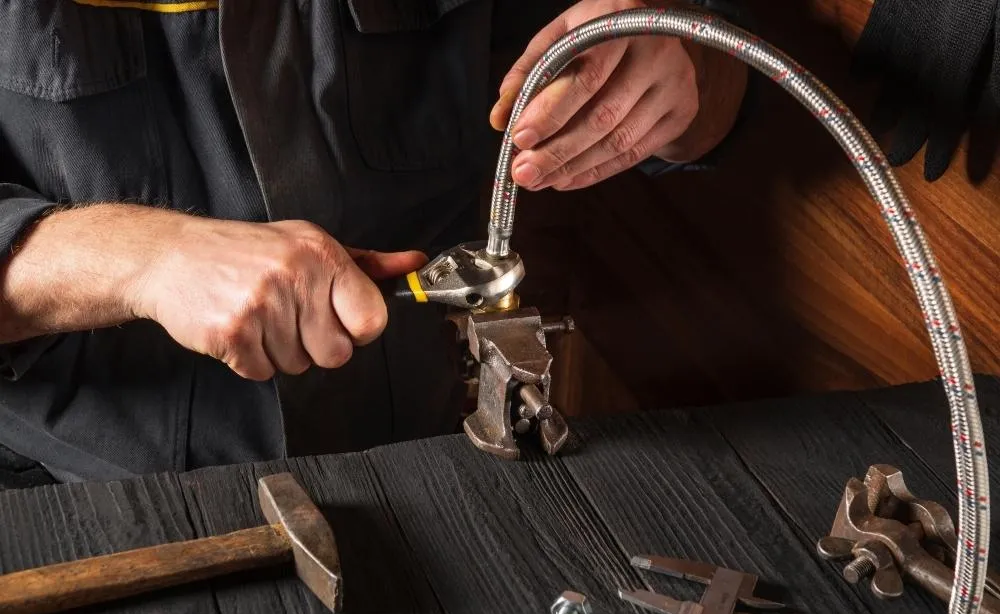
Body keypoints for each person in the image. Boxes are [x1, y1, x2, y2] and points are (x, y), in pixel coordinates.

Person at [0, 0, 748, 483]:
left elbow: (702, 92)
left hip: (425, 467)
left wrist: (680, 67)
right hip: (75, 488)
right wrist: (145, 260)